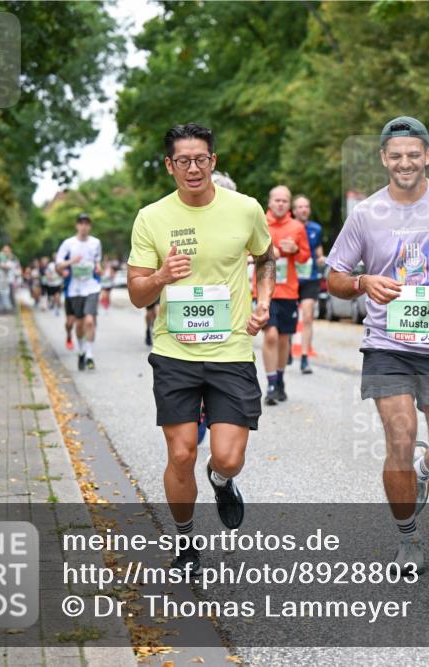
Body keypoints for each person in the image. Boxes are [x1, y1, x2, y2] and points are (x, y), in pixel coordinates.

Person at [326, 116, 429, 574]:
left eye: (413, 154)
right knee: (398, 435)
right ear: (384, 159)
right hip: (386, 344)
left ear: (427, 156)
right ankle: (408, 539)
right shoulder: (365, 214)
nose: (405, 163)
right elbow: (335, 276)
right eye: (395, 155)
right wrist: (363, 282)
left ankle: (425, 470)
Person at [126, 123, 275, 574]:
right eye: (184, 161)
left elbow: (267, 258)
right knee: (181, 452)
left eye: (202, 159)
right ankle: (187, 542)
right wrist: (160, 278)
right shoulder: (151, 217)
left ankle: (220, 480)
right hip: (175, 350)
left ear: (213, 161)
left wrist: (263, 302)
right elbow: (137, 294)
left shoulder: (245, 209)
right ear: (170, 166)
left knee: (228, 456)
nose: (194, 168)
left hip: (231, 349)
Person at [258, 185, 311, 405]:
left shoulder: (297, 227)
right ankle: (270, 384)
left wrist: (295, 251)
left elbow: (304, 257)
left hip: (288, 291)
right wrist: (268, 253)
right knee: (270, 335)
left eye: (284, 201)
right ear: (270, 202)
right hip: (264, 291)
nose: (280, 204)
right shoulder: (259, 223)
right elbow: (246, 252)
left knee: (283, 339)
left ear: (289, 205)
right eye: (277, 200)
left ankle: (279, 379)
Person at [55, 213, 103, 370]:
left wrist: (98, 267)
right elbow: (58, 265)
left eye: (87, 223)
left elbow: (97, 261)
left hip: (92, 287)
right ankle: (81, 350)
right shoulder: (68, 244)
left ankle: (89, 355)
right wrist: (71, 262)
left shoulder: (96, 243)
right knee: (79, 324)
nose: (84, 226)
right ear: (77, 225)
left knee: (90, 321)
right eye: (81, 223)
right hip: (74, 289)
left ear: (90, 226)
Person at [292, 194, 325, 374]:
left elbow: (319, 252)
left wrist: (321, 259)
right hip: (291, 279)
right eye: (300, 207)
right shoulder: (288, 227)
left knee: (307, 317)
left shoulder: (316, 229)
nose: (303, 209)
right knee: (288, 320)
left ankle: (304, 358)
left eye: (306, 206)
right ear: (294, 210)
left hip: (311, 278)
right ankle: (286, 345)